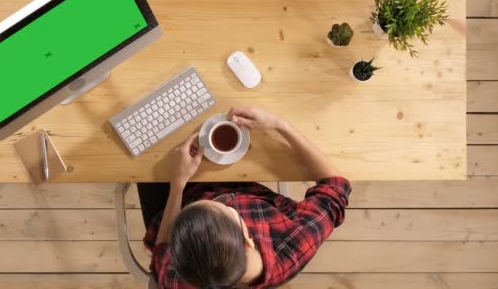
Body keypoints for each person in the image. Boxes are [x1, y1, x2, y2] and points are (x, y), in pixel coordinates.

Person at [137, 106, 351, 288]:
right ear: (248, 241)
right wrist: (278, 124)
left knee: (140, 155)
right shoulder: (295, 242)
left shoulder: (176, 278)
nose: (219, 198)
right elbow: (336, 185)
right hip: (245, 185)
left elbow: (161, 250)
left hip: (181, 192)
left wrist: (178, 183)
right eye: (224, 207)